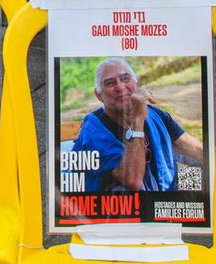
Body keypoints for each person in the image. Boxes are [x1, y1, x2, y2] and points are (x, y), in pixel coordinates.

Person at [71, 57, 204, 194]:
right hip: (118, 207)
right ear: (99, 95)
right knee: (123, 190)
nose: (120, 87)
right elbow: (133, 180)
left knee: (199, 171)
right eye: (110, 83)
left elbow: (195, 149)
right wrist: (138, 120)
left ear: (136, 84)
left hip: (161, 195)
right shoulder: (93, 132)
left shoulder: (155, 115)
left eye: (125, 79)